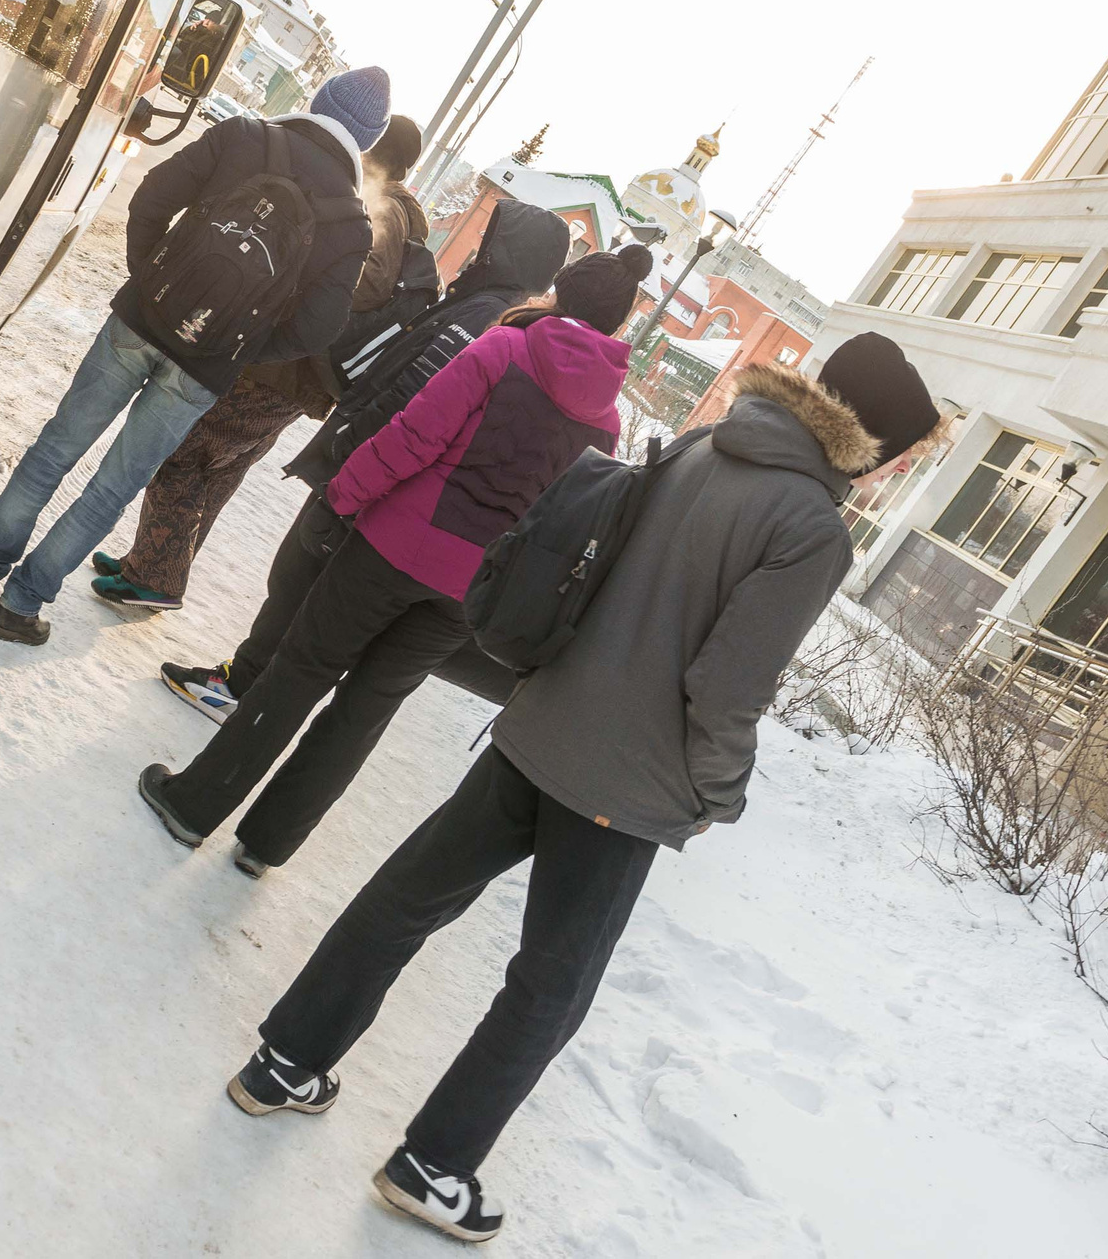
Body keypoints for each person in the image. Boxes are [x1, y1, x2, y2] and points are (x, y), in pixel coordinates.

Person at [219, 333, 942, 1243]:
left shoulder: (703, 443)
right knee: (549, 987)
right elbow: (726, 688)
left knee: (408, 896)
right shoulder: (812, 528)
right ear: (874, 445)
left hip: (539, 722)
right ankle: (433, 1162)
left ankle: (284, 1063)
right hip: (625, 786)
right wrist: (719, 794)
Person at [136, 245, 651, 875]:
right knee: (366, 710)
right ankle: (268, 844)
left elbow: (416, 434)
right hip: (469, 590)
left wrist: (346, 494)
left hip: (391, 548)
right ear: (617, 325)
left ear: (559, 295)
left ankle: (194, 808)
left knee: (300, 669)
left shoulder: (503, 348)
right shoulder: (605, 421)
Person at [0, 67, 387, 644]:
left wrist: (150, 279)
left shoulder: (243, 137)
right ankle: (20, 606)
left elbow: (151, 198)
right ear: (367, 141)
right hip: (205, 369)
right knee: (112, 486)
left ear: (318, 99)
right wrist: (242, 346)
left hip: (139, 322)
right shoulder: (351, 223)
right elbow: (321, 326)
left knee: (57, 447)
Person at [152, 195, 572, 721]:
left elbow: (415, 395)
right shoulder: (489, 304)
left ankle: (243, 688)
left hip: (368, 471)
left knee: (298, 581)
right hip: (370, 467)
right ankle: (248, 683)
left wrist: (349, 455)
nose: (475, 253)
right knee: (298, 581)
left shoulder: (487, 312)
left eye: (490, 243)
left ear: (509, 253)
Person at [89, 114, 430, 612]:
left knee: (185, 452)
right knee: (219, 468)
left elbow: (369, 284)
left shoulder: (386, 208)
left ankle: (156, 578)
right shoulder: (395, 207)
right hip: (299, 376)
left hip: (287, 369)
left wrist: (303, 282)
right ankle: (155, 564)